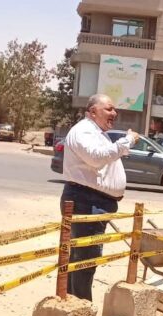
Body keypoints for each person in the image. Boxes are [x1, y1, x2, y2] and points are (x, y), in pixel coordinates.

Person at [61, 94, 139, 300]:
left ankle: (73, 302)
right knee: (85, 259)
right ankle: (81, 306)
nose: (114, 113)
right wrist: (127, 141)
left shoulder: (98, 133)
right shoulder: (83, 130)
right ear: (93, 111)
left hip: (94, 201)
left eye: (114, 110)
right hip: (86, 201)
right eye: (109, 109)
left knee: (82, 258)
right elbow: (96, 158)